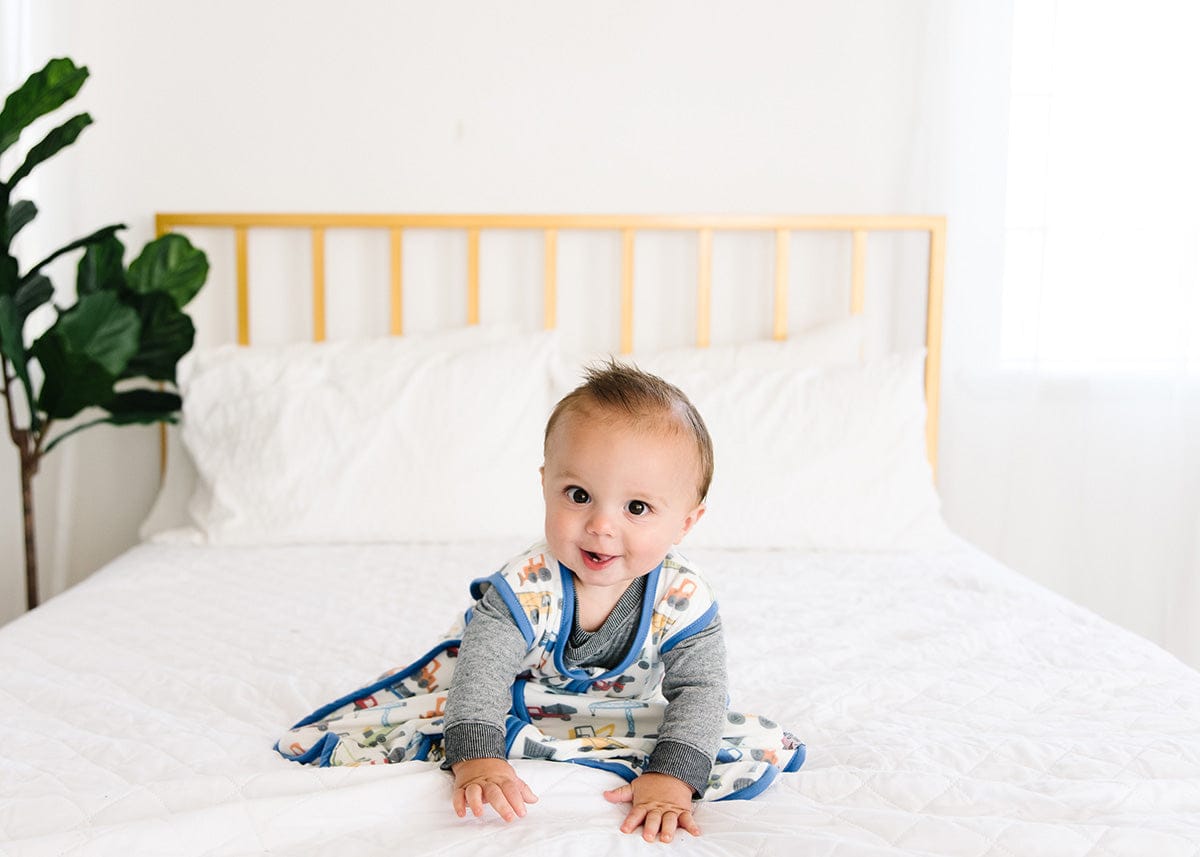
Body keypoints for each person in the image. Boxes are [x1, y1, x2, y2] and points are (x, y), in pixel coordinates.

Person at [444, 360, 725, 843]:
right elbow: (481, 673)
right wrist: (478, 757)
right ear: (545, 484)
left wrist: (672, 778)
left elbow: (702, 690)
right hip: (520, 694)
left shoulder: (683, 600)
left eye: (636, 507)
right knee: (454, 710)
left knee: (712, 736)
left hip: (621, 709)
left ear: (685, 523)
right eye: (578, 495)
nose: (600, 526)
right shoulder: (524, 588)